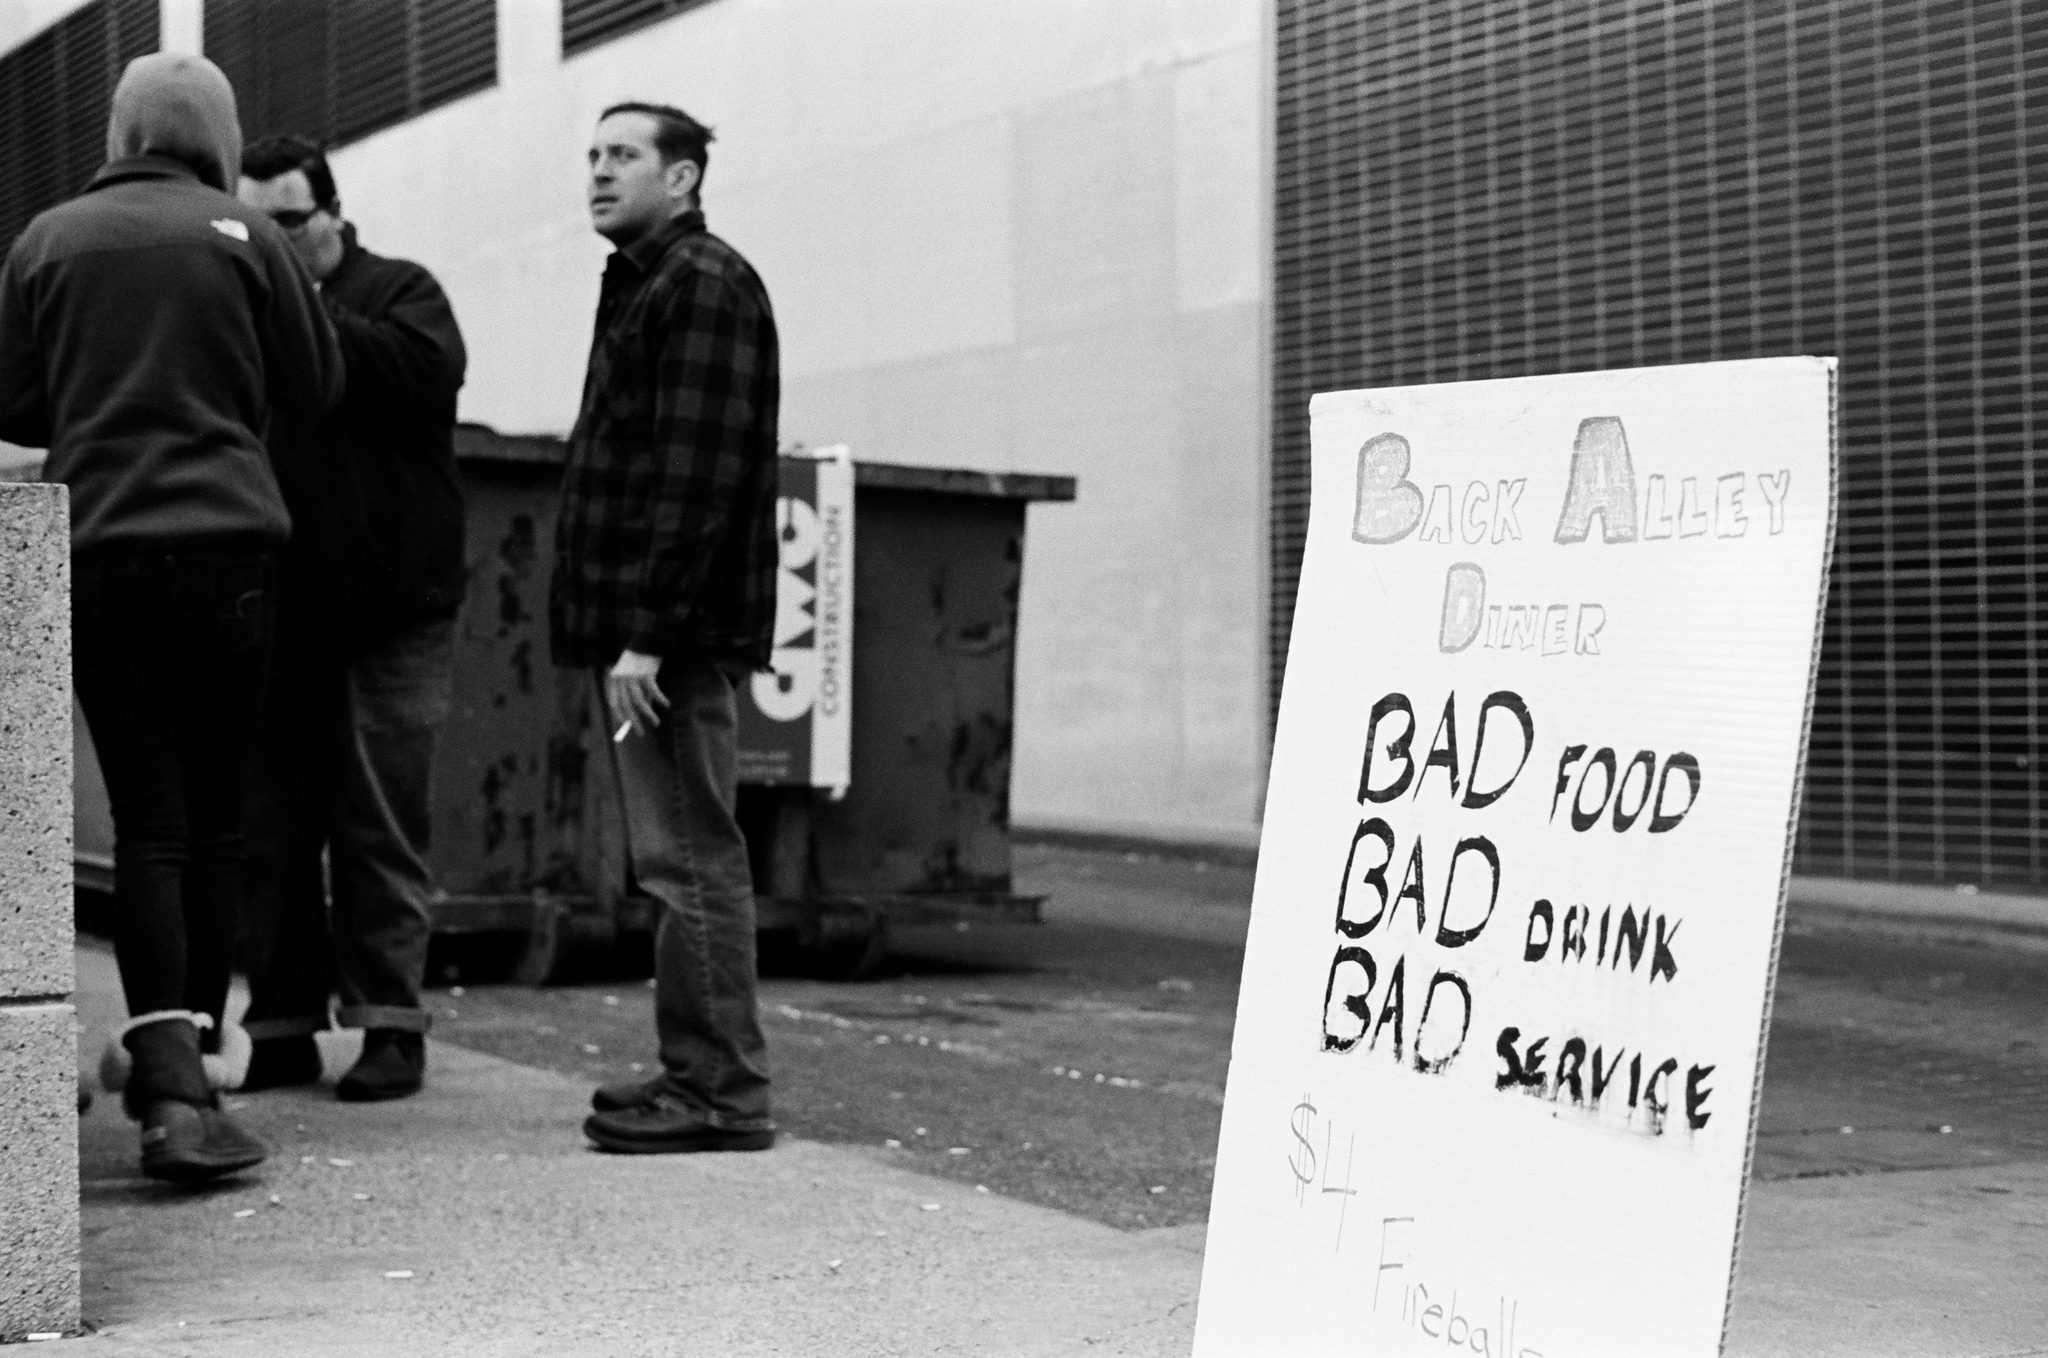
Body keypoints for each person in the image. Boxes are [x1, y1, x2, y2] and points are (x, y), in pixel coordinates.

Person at [0, 54, 342, 1181]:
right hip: (228, 552)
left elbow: (16, 403)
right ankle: (184, 1076)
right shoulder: (242, 235)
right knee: (214, 823)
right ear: (219, 130)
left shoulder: (46, 240)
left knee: (146, 819)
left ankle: (169, 1084)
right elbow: (317, 383)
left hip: (97, 553)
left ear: (120, 126)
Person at [555, 102, 779, 1154]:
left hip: (672, 638)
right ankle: (697, 1070)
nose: (597, 172)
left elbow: (696, 477)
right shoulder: (646, 283)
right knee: (674, 859)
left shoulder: (700, 283)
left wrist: (644, 635)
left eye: (622, 156)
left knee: (689, 858)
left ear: (681, 176)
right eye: (592, 156)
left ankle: (723, 1092)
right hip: (648, 632)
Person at [232, 135, 468, 1102]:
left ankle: (390, 1029)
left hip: (392, 617)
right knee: (272, 835)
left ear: (333, 214)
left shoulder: (399, 291)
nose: (275, 242)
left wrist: (305, 314)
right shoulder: (249, 317)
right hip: (282, 619)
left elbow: (425, 370)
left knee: (380, 829)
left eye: (288, 221)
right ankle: (283, 1027)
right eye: (256, 226)